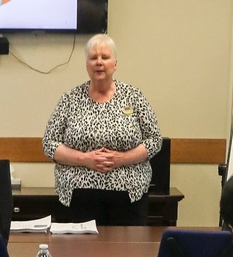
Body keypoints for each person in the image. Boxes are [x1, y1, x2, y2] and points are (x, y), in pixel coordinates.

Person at [42, 33, 162, 225]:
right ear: (86, 65)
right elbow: (49, 144)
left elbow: (154, 140)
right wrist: (85, 159)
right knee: (83, 254)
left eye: (104, 57)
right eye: (93, 58)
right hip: (79, 194)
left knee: (126, 254)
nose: (99, 62)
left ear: (115, 63)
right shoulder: (70, 99)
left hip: (129, 193)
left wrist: (121, 159)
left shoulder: (134, 96)